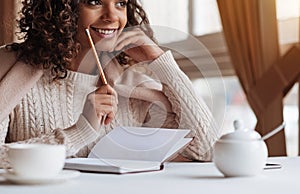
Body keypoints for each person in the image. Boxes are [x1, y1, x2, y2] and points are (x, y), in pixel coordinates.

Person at [0, 0, 220, 167]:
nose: (112, 16)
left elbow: (205, 150)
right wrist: (79, 131)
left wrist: (160, 61)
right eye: (94, 1)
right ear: (61, 9)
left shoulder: (134, 86)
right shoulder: (8, 68)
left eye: (120, 3)